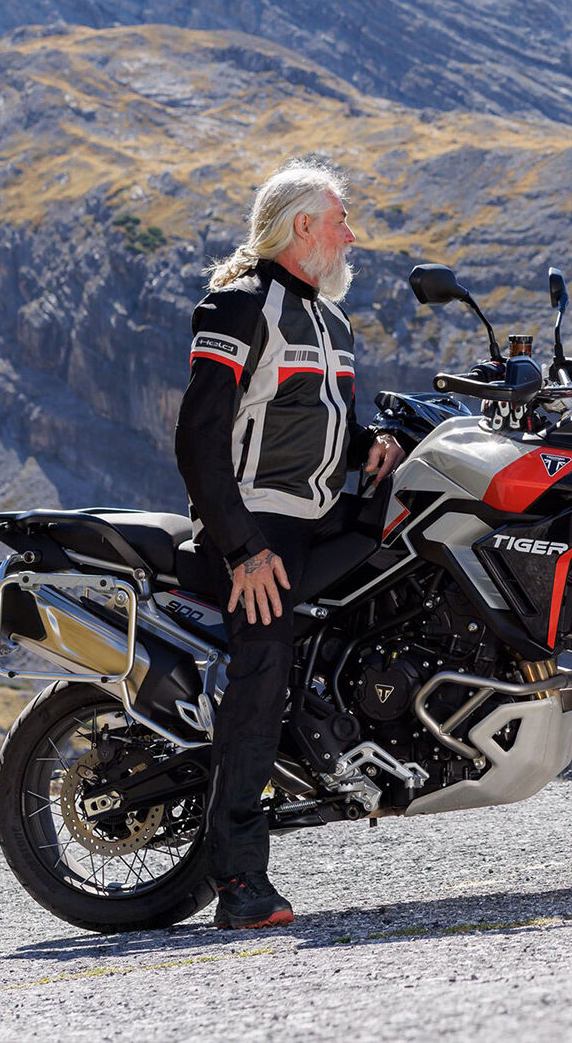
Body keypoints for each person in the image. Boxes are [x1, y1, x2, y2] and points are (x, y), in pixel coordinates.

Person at [175, 161, 405, 927]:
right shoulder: (241, 304)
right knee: (263, 664)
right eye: (340, 221)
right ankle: (239, 883)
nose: (350, 236)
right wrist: (242, 548)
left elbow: (318, 424)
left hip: (313, 516)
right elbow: (200, 434)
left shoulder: (330, 321)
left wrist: (371, 445)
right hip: (252, 523)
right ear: (303, 226)